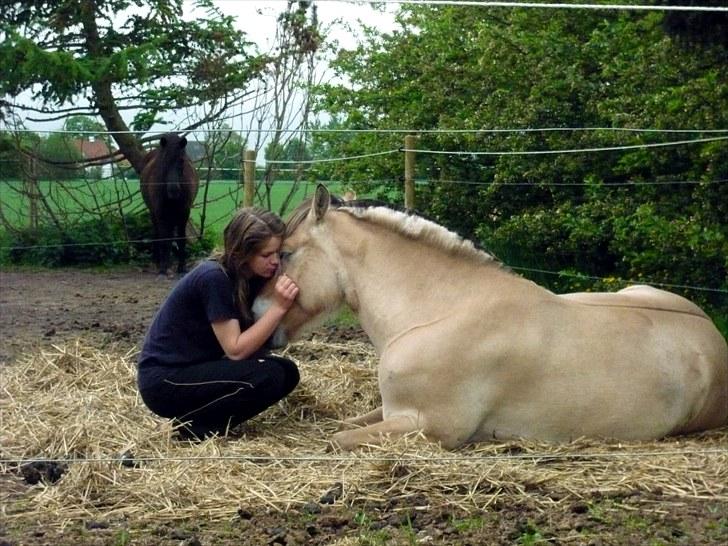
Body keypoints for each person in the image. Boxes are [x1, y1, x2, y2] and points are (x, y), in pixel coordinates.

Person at [137, 207, 300, 440]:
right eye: (266, 255)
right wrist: (279, 308)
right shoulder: (214, 278)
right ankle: (195, 428)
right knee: (269, 375)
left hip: (195, 369)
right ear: (242, 253)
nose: (275, 262)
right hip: (164, 380)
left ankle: (203, 421)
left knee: (287, 372)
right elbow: (235, 350)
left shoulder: (249, 278)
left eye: (278, 253)